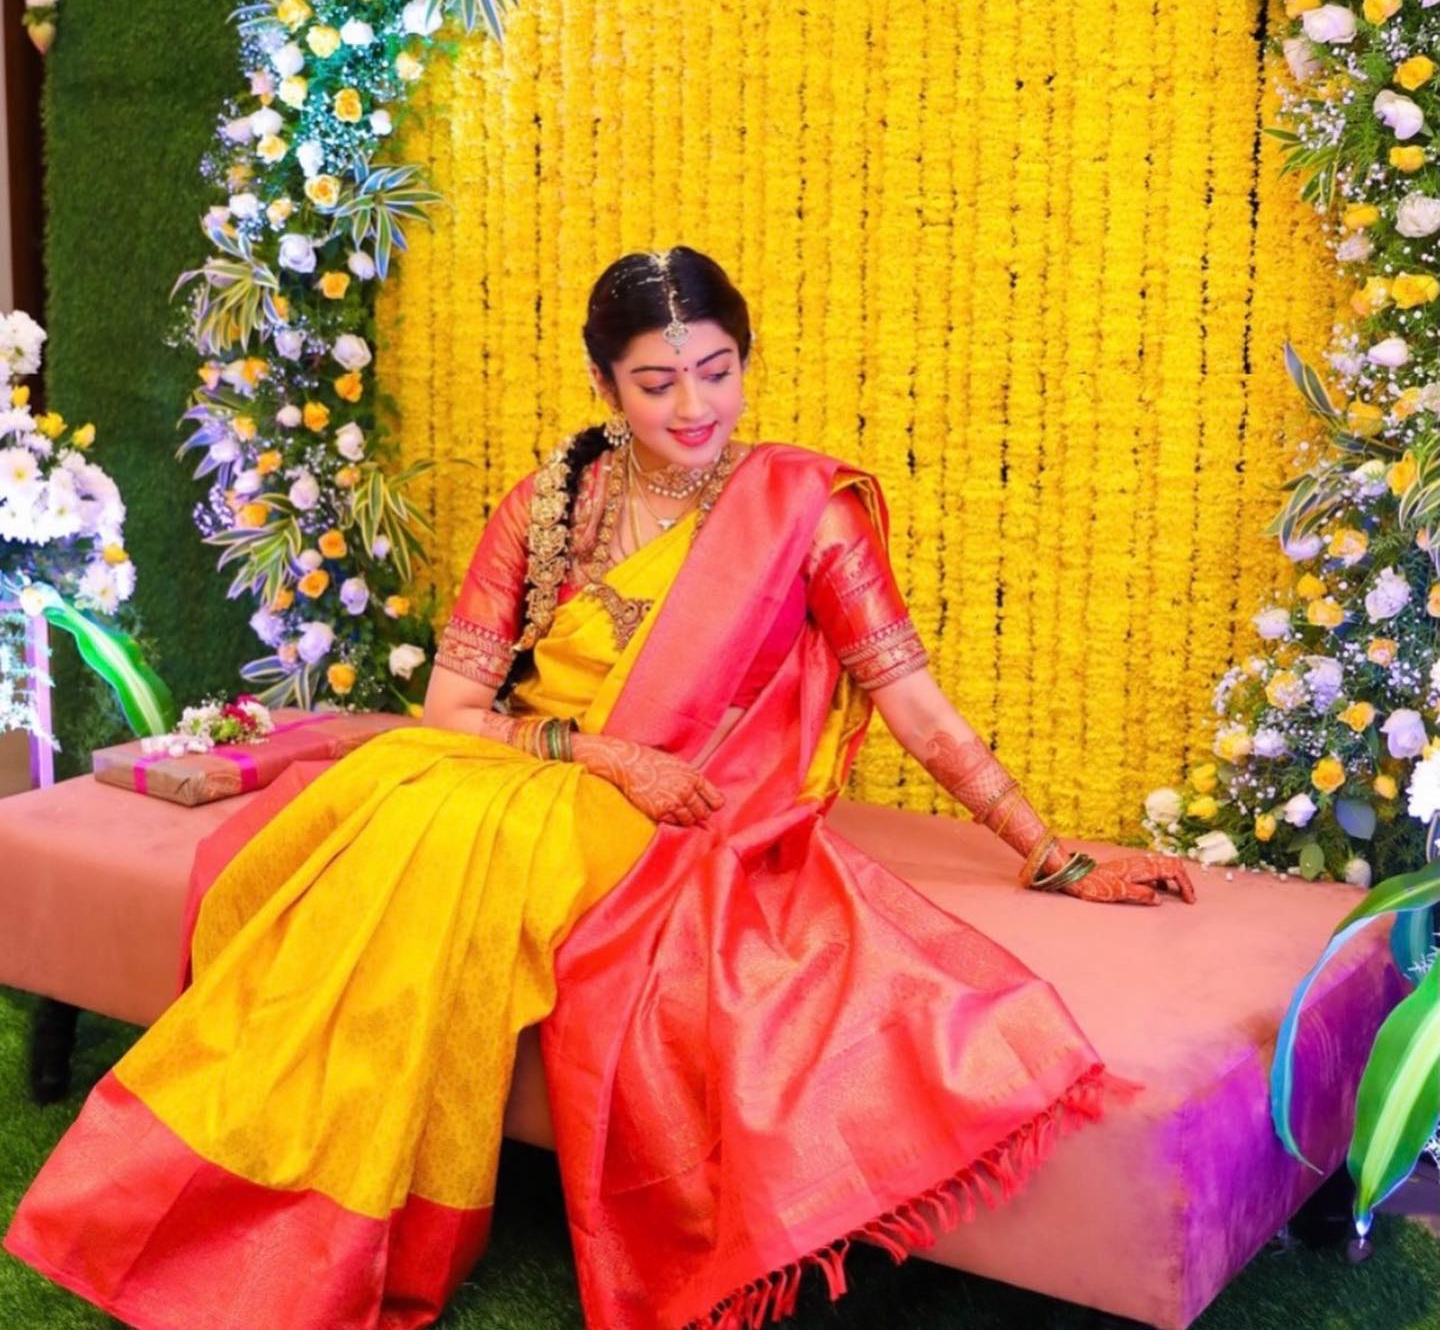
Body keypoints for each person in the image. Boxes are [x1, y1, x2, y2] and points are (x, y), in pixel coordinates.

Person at [5, 247, 1194, 1330]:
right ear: (604, 383)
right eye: (658, 383)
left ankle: (307, 1217)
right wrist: (605, 754)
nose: (695, 407)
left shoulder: (805, 512)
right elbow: (452, 713)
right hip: (553, 772)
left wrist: (1050, 849)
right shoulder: (548, 505)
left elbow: (913, 703)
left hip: (692, 811)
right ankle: (233, 1183)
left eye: (717, 373)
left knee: (432, 832)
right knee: (401, 816)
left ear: (746, 362)